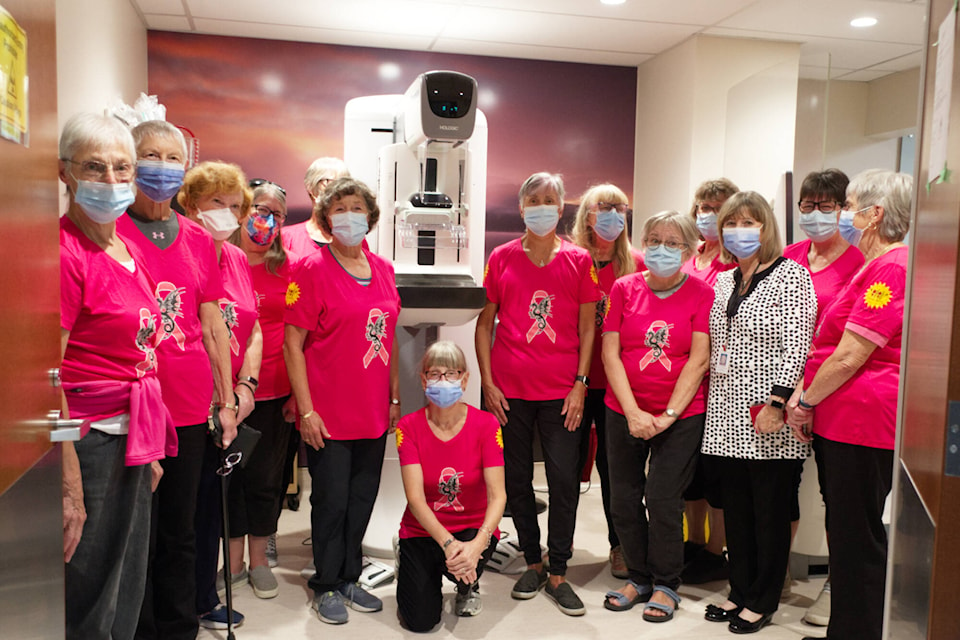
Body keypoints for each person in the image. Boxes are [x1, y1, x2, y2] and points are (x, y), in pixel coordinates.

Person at [118, 122, 240, 640]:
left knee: (180, 528)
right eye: (149, 155)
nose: (162, 167)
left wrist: (227, 398)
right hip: (131, 405)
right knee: (133, 532)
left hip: (189, 405)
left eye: (172, 158)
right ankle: (135, 627)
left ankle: (177, 628)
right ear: (130, 160)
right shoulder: (112, 231)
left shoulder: (196, 238)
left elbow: (211, 321)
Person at [59, 112, 177, 640]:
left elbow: (142, 350)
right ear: (66, 174)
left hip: (132, 433)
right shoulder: (64, 253)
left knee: (128, 578)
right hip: (89, 444)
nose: (110, 181)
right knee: (91, 591)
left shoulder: (126, 249)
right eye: (95, 167)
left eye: (121, 169)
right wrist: (67, 482)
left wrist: (149, 443)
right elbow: (45, 375)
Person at [786, 170, 912, 640]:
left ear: (873, 214)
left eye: (849, 205)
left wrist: (804, 400)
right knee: (846, 536)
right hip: (844, 420)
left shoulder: (892, 267)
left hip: (863, 421)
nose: (842, 214)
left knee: (857, 541)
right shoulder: (872, 263)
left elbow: (851, 353)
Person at [475, 172, 600, 617]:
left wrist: (581, 384)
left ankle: (559, 569)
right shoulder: (502, 257)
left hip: (563, 393)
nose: (543, 206)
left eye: (551, 199)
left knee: (565, 480)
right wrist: (487, 383)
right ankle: (532, 559)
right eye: (534, 199)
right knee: (515, 479)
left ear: (562, 206)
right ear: (522, 206)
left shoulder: (580, 260)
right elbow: (485, 324)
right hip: (509, 393)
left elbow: (588, 327)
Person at [284, 176, 401, 625]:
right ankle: (326, 583)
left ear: (369, 217)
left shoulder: (384, 269)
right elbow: (292, 343)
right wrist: (307, 409)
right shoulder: (312, 269)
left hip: (373, 410)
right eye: (340, 208)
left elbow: (387, 338)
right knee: (330, 501)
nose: (349, 216)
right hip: (328, 413)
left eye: (357, 208)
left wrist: (393, 398)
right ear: (327, 218)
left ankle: (350, 574)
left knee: (361, 499)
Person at [700, 191, 816, 633]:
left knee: (768, 513)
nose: (738, 231)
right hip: (726, 412)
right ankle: (740, 592)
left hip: (766, 412)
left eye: (749, 223)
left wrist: (776, 402)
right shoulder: (725, 280)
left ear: (766, 229)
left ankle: (763, 600)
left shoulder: (792, 276)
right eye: (731, 223)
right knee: (738, 512)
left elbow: (797, 344)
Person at [601, 210, 713, 623]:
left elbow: (699, 359)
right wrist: (633, 412)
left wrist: (667, 415)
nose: (661, 249)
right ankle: (638, 577)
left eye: (672, 242)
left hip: (680, 415)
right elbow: (610, 353)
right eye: (653, 239)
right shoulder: (623, 288)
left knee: (664, 499)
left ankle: (666, 583)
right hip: (623, 409)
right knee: (624, 499)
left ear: (688, 250)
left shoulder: (701, 293)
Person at [174, 162, 264, 622]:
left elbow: (251, 329)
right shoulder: (180, 251)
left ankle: (204, 597)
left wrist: (245, 385)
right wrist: (219, 397)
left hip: (231, 404)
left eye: (235, 206)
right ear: (190, 205)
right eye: (217, 204)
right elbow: (192, 335)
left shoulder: (234, 257)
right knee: (182, 515)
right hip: (192, 403)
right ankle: (177, 606)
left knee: (213, 506)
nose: (227, 215)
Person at [782, 168, 864, 618]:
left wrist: (808, 393)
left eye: (826, 206)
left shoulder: (859, 264)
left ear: (843, 209)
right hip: (783, 392)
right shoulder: (789, 256)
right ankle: (775, 572)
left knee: (838, 496)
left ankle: (838, 585)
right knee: (784, 487)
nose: (815, 214)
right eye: (808, 206)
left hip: (833, 390)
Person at [395, 341, 506, 631]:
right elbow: (415, 499)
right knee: (420, 622)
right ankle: (411, 563)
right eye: (434, 374)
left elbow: (498, 495)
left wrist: (476, 546)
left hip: (473, 528)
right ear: (423, 379)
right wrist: (448, 544)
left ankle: (467, 585)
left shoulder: (487, 425)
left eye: (451, 373)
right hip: (424, 530)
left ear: (465, 378)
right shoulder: (408, 427)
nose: (443, 381)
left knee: (464, 569)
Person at [569, 183, 644, 579]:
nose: (613, 213)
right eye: (604, 206)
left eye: (620, 206)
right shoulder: (571, 259)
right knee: (566, 467)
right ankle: (559, 548)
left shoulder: (638, 263)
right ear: (588, 212)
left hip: (618, 384)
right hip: (574, 381)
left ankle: (622, 546)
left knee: (616, 472)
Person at [227, 180, 297, 593]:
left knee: (266, 479)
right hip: (225, 394)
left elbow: (300, 334)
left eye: (276, 213)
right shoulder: (222, 259)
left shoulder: (290, 269)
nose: (265, 219)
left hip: (274, 392)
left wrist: (296, 394)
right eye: (258, 208)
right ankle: (232, 562)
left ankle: (259, 560)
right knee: (229, 479)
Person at [680, 177, 739, 585]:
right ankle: (693, 543)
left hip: (720, 383)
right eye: (702, 205)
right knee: (689, 474)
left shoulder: (736, 264)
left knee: (717, 475)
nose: (707, 214)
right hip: (683, 380)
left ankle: (717, 549)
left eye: (716, 207)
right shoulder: (690, 256)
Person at [282, 157, 350, 255]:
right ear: (311, 187)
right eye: (331, 183)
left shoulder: (353, 239)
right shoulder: (287, 237)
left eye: (344, 185)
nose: (338, 190)